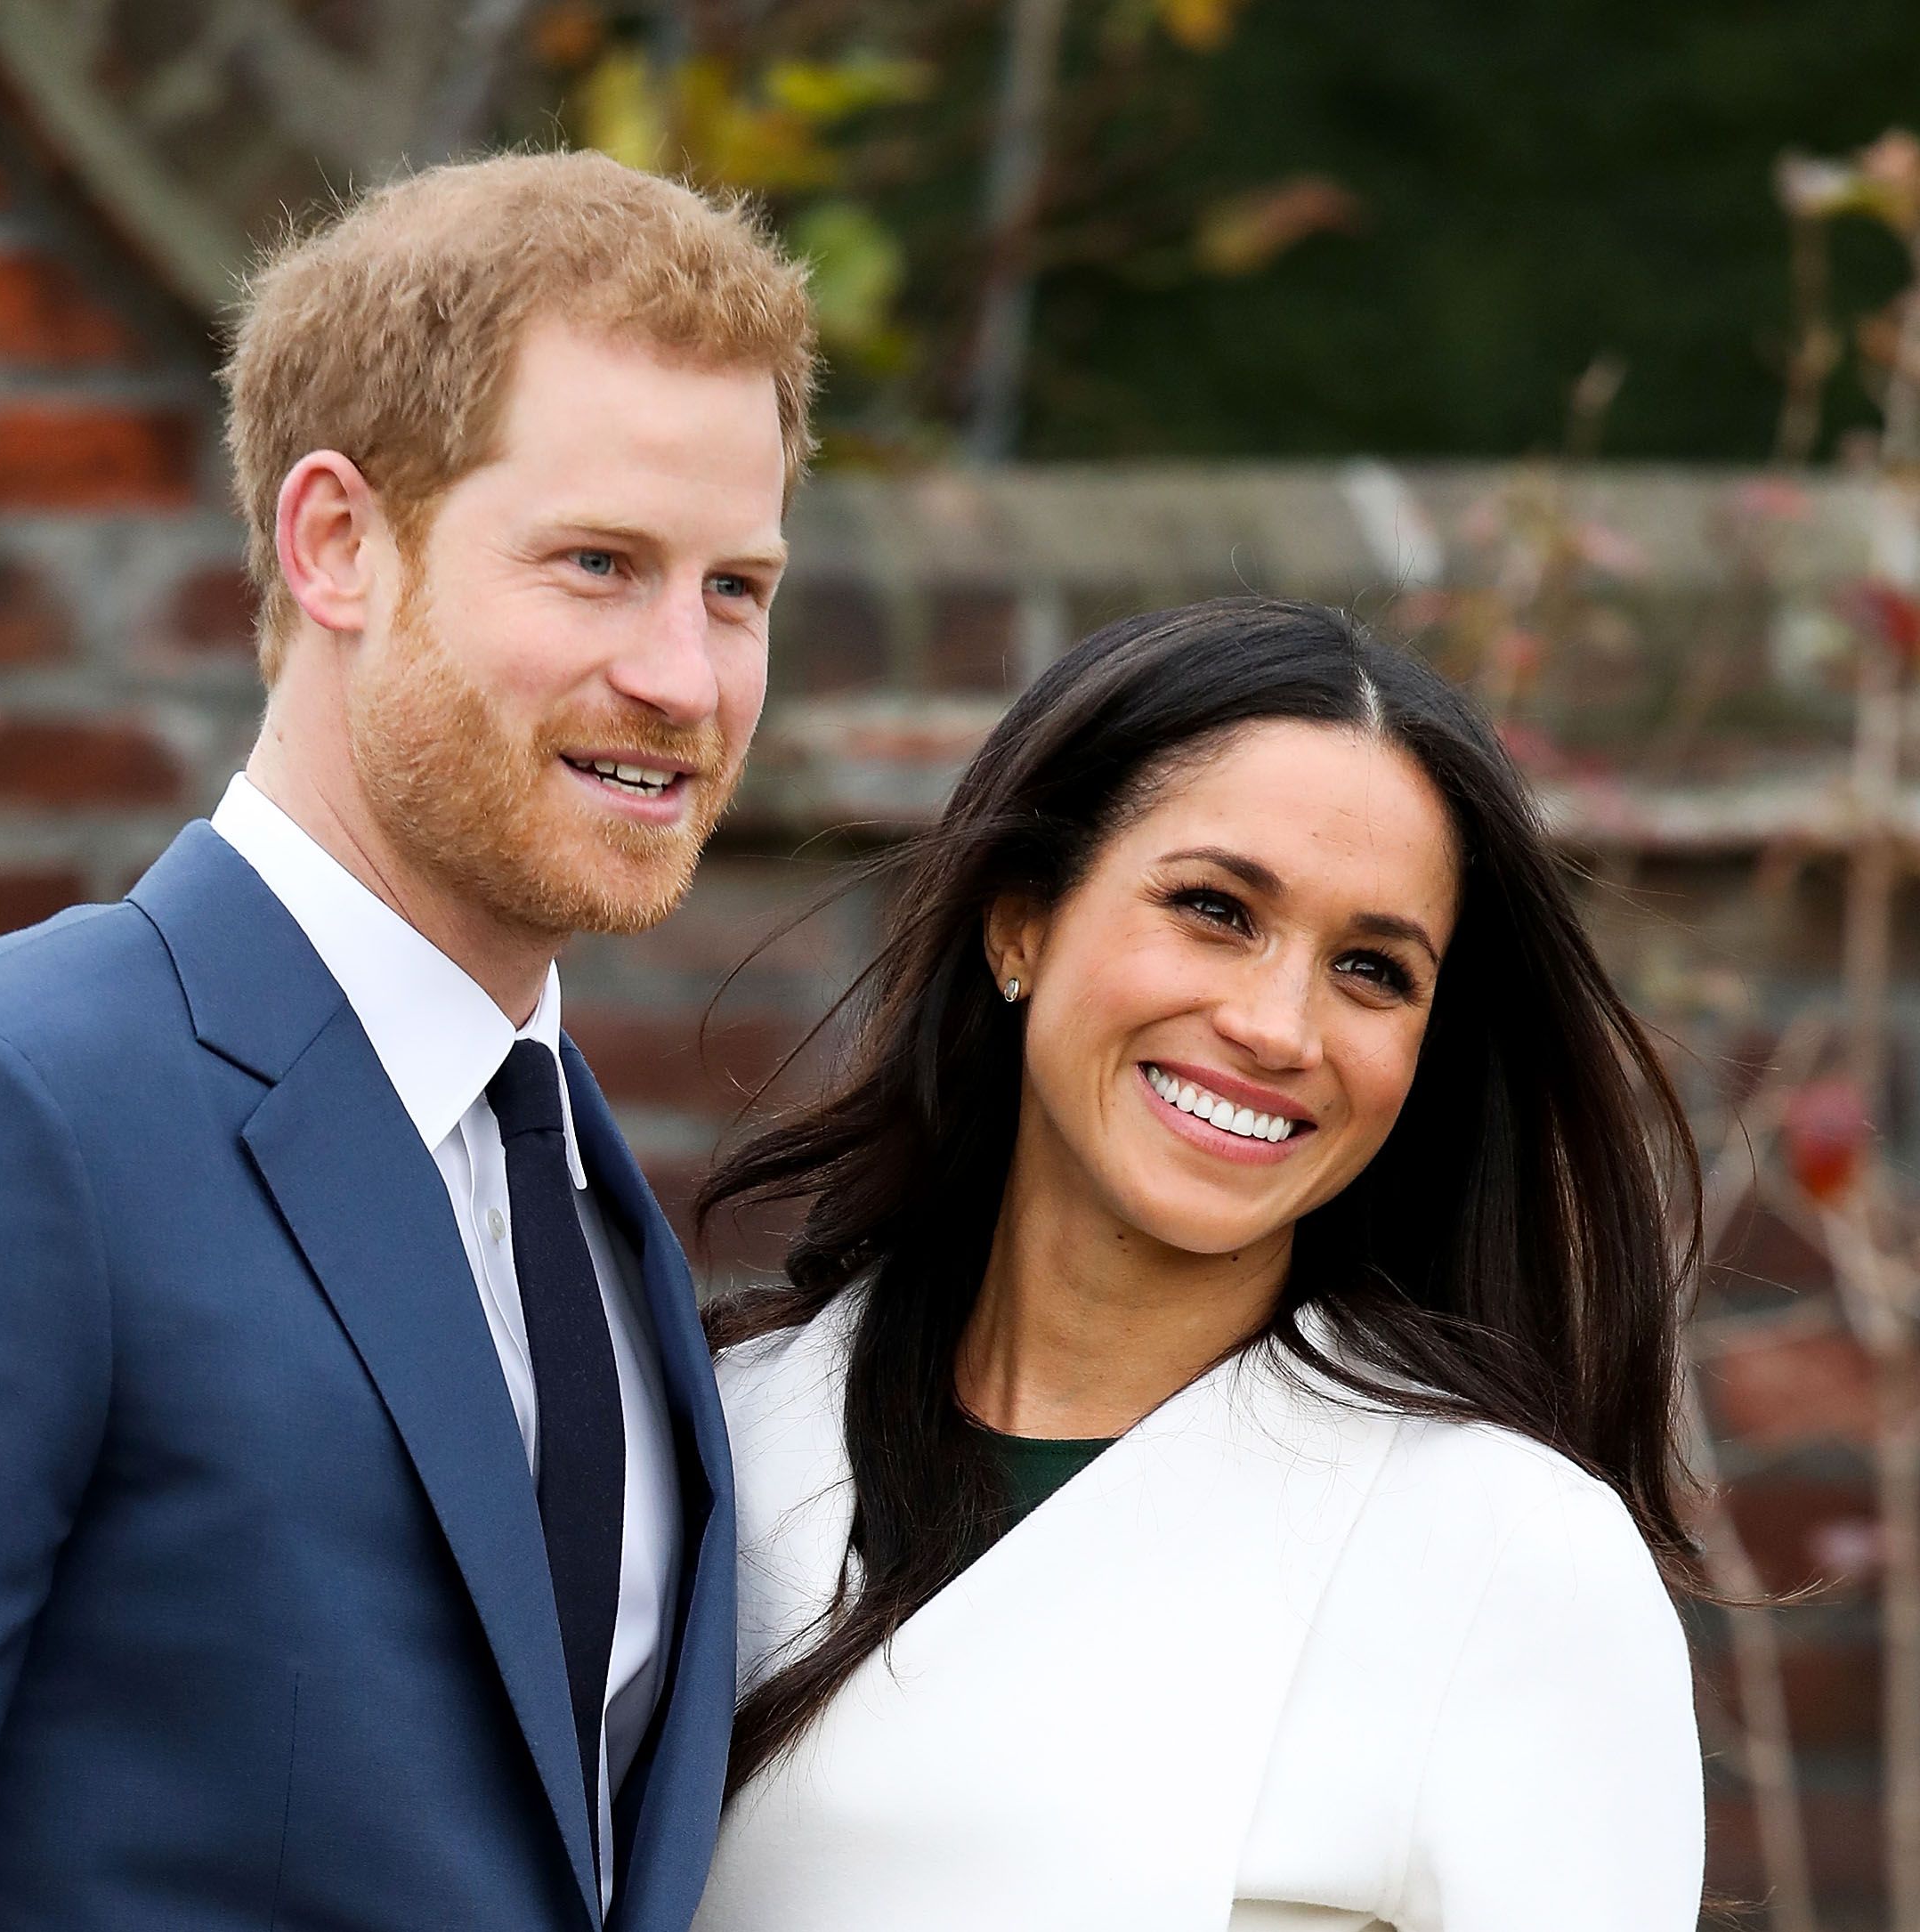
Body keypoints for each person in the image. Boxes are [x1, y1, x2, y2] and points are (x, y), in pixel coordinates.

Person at [0, 150, 815, 1932]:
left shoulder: (586, 1196)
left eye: (737, 587)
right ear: (334, 543)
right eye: (599, 564)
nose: (684, 678)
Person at [692, 597, 1705, 1930]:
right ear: (1021, 925)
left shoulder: (1507, 1562)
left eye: (1372, 969)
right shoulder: (708, 1440)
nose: (1277, 1025)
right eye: (1216, 908)